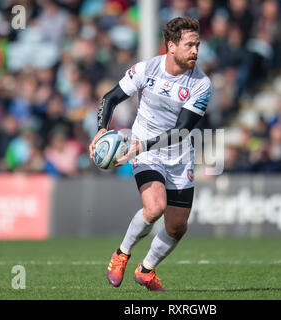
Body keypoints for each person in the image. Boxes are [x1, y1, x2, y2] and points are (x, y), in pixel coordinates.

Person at [89, 17, 211, 291]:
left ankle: (146, 270)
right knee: (155, 206)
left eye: (197, 45)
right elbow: (110, 98)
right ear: (171, 46)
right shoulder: (147, 69)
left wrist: (141, 145)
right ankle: (121, 254)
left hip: (178, 156)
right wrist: (100, 130)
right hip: (145, 151)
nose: (195, 51)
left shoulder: (201, 84)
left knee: (178, 226)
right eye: (189, 45)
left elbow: (181, 131)